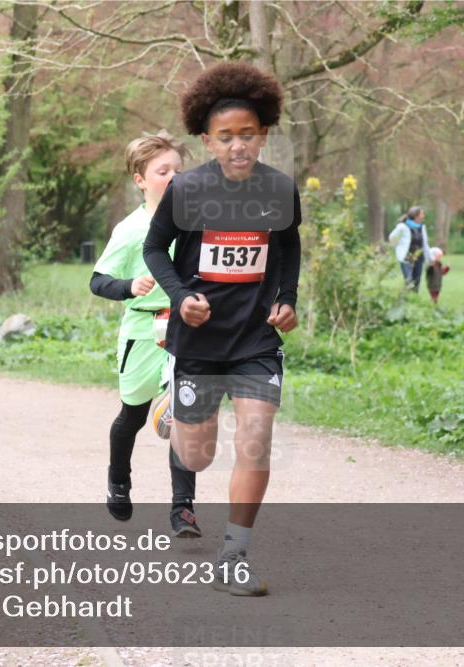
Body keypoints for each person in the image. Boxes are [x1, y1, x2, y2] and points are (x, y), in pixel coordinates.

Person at [143, 62, 301, 596]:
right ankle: (172, 412)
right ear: (207, 140)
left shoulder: (279, 189)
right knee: (197, 456)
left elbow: (289, 245)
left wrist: (286, 298)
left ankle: (234, 557)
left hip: (255, 339)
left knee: (256, 441)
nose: (238, 146)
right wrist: (182, 295)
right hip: (200, 341)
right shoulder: (186, 190)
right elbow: (153, 249)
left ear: (263, 135)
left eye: (248, 135)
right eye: (226, 137)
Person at [90, 130, 202, 537]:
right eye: (163, 170)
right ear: (140, 179)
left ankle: (182, 509)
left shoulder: (195, 219)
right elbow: (97, 280)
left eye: (178, 169)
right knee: (133, 415)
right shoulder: (131, 229)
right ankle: (118, 480)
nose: (174, 176)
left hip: (187, 329)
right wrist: (129, 285)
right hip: (142, 331)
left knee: (185, 416)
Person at [388, 206, 431, 292]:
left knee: (417, 280)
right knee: (409, 280)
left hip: (419, 257)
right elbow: (391, 237)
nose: (423, 216)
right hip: (406, 257)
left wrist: (429, 258)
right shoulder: (402, 226)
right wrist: (398, 247)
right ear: (416, 216)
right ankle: (407, 299)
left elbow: (425, 244)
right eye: (422, 214)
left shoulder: (422, 227)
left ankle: (415, 300)